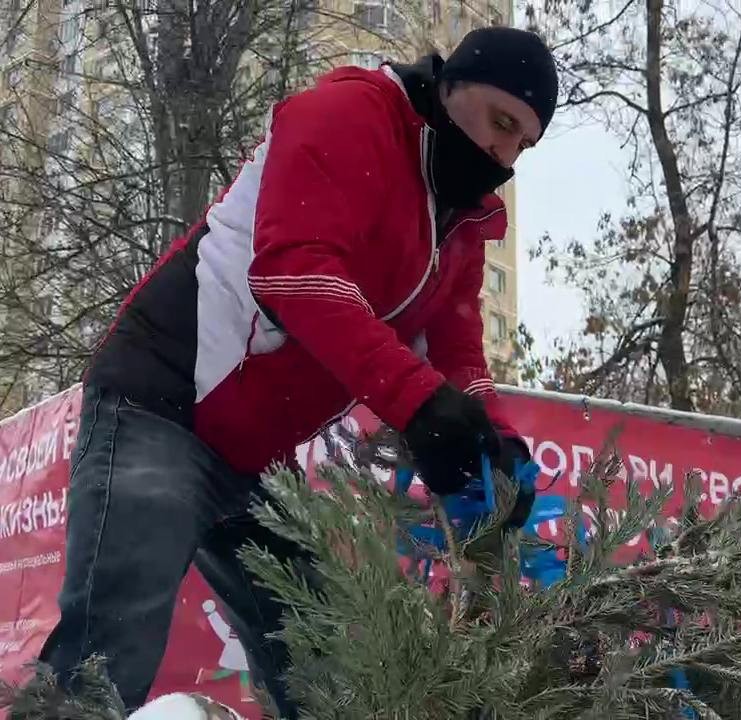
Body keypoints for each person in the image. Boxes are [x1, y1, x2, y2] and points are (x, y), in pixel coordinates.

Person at [33, 26, 559, 718]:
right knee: (108, 647)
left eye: (523, 142)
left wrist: (494, 440)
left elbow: (456, 351)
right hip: (165, 398)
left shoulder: (459, 221)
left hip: (255, 459)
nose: (504, 153)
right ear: (451, 85)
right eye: (500, 122)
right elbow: (296, 271)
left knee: (321, 660)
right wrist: (419, 405)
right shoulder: (349, 116)